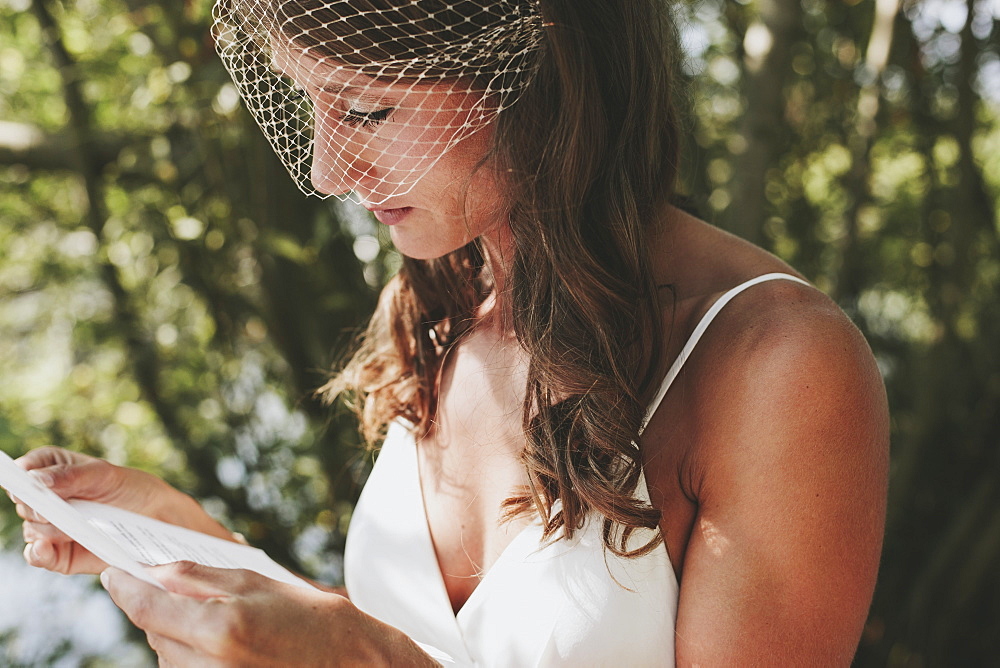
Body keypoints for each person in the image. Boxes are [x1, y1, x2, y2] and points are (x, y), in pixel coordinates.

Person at [14, 0, 889, 665]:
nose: (325, 167)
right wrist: (188, 548)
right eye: (306, 102)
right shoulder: (448, 299)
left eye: (365, 111)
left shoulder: (777, 365)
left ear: (541, 76)